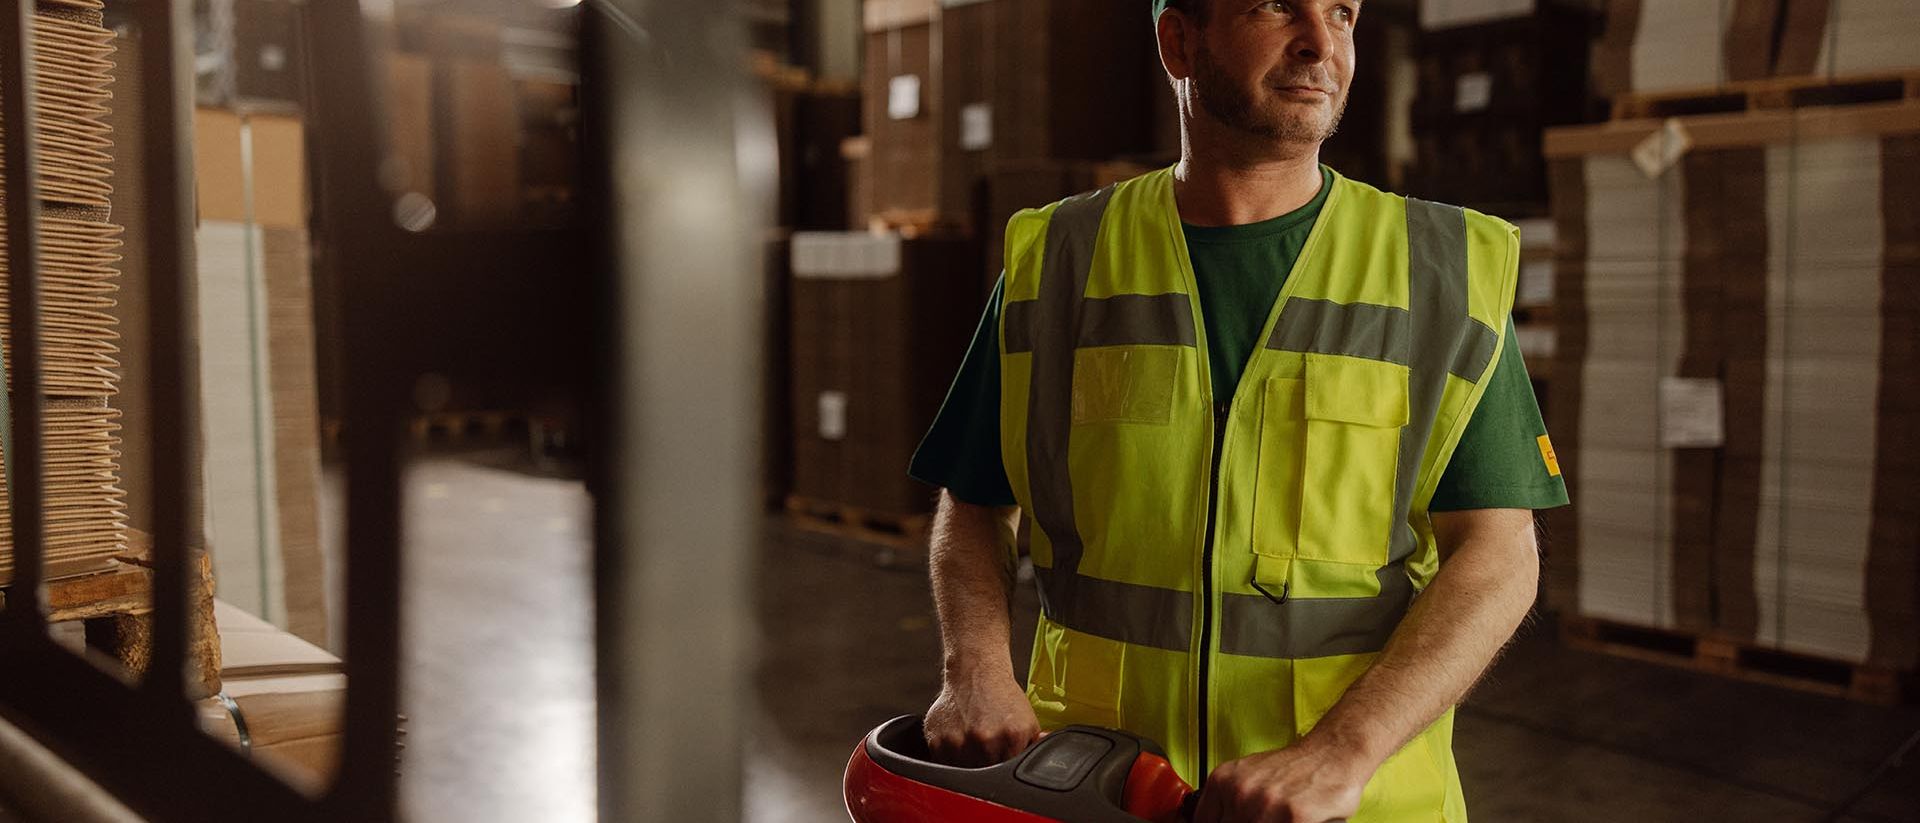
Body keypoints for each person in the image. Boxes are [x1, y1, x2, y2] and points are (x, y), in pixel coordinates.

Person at [907, 1, 1570, 821]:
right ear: (1179, 41)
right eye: (1274, 6)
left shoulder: (1441, 271)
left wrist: (1341, 752)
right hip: (1097, 791)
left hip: (1349, 804)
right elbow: (974, 502)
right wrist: (974, 667)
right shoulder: (1057, 262)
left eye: (1341, 12)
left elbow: (1499, 554)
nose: (1320, 43)